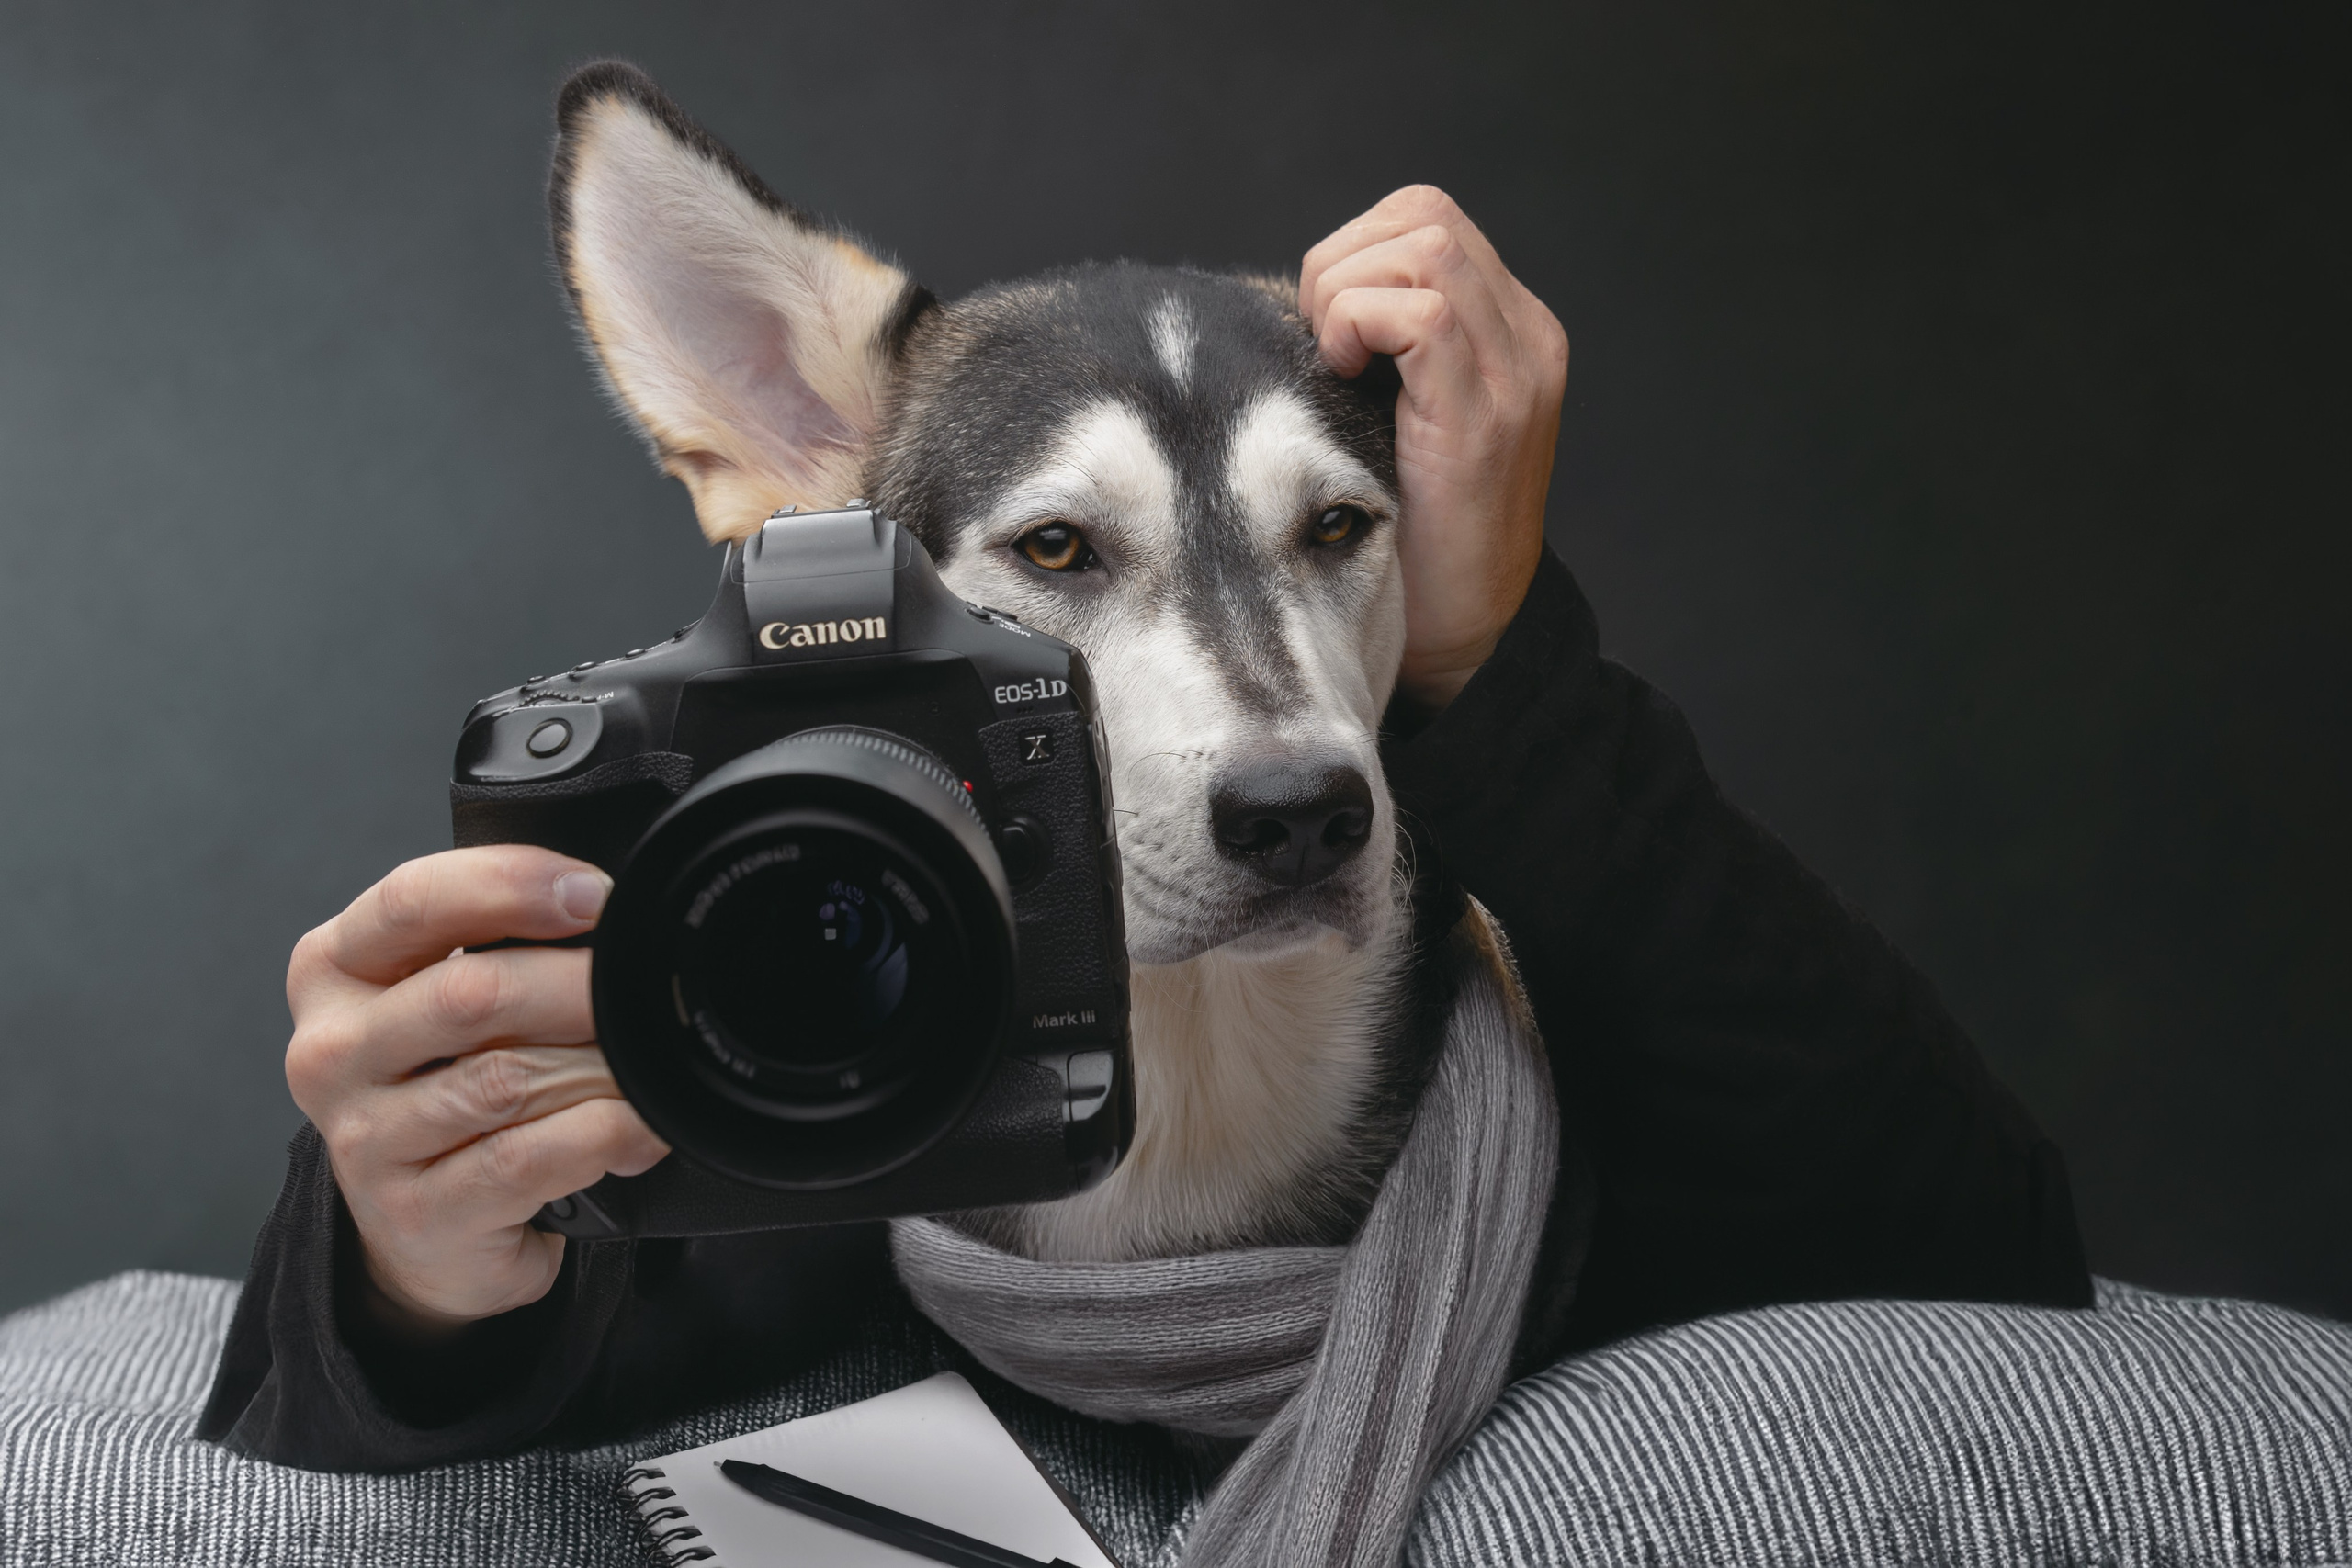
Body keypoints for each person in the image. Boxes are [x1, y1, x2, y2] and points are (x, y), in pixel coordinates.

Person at [199, 187, 2089, 1472]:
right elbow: (347, 1409)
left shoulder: (1587, 1084)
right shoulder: (782, 1100)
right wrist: (413, 1249)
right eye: (1057, 551)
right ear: (822, 526)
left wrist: (1493, 662)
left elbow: (1979, 1245)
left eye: (1329, 529)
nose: (1275, 744)